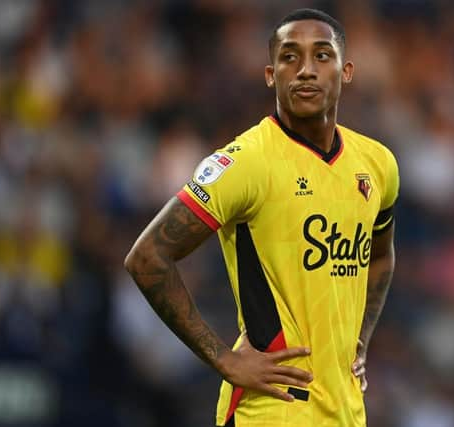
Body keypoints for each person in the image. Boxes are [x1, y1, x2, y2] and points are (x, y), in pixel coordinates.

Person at [124, 8, 399, 427]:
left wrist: (360, 341)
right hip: (271, 410)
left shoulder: (377, 164)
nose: (306, 69)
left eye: (322, 55)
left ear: (346, 72)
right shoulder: (247, 162)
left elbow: (380, 255)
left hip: (345, 412)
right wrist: (225, 360)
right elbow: (147, 257)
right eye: (291, 57)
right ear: (271, 75)